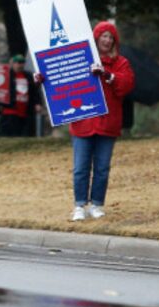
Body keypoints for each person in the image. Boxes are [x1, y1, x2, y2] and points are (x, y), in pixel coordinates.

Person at [55, 20, 135, 221]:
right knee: (81, 167)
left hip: (108, 123)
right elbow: (62, 78)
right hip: (83, 123)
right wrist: (43, 79)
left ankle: (97, 204)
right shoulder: (82, 60)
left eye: (111, 37)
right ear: (96, 38)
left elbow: (126, 86)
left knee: (101, 168)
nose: (107, 40)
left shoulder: (121, 63)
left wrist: (108, 75)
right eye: (103, 36)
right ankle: (80, 205)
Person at [0, 55, 35, 138]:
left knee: (22, 135)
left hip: (25, 111)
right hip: (9, 111)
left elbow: (34, 92)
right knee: (7, 135)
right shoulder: (6, 75)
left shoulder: (28, 76)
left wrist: (37, 103)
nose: (20, 65)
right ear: (12, 63)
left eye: (22, 62)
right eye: (18, 62)